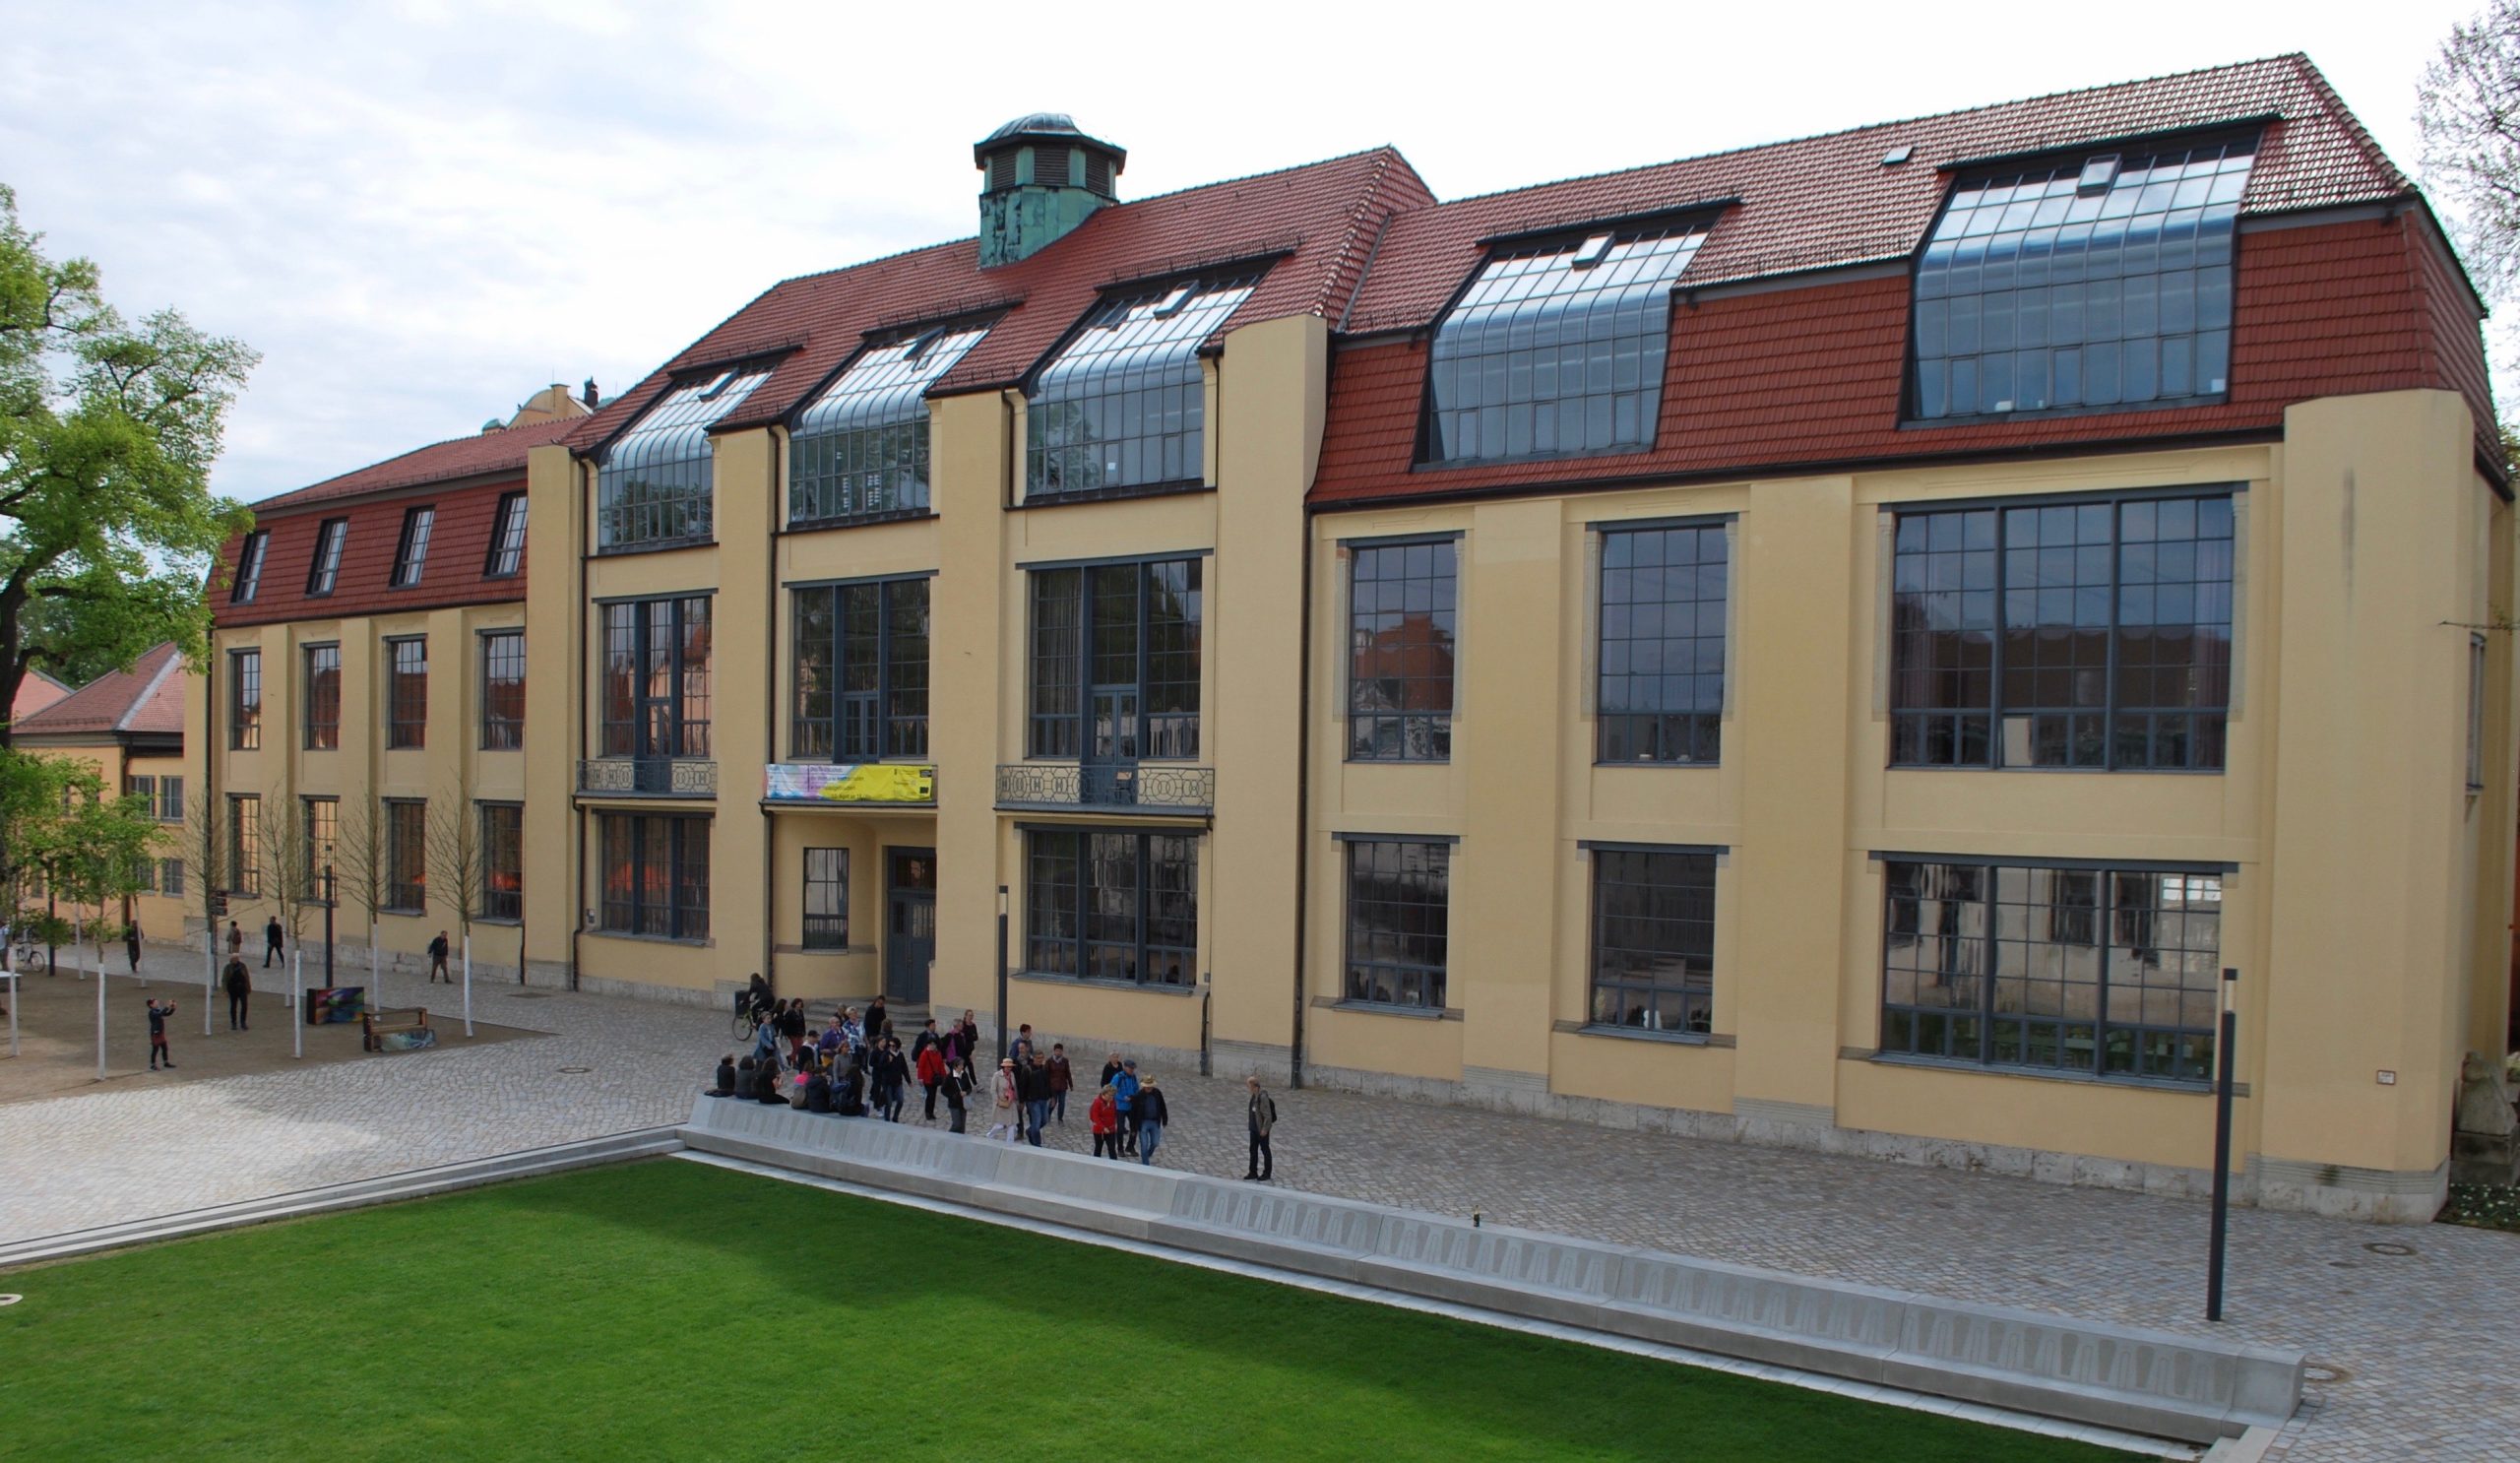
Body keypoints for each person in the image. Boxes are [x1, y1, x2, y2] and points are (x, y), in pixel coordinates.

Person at [1243, 1076, 1277, 1181]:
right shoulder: (1254, 1096)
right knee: (1253, 1150)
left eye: (1249, 1086)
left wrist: (1265, 1129)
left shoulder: (1262, 1098)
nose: (1248, 1088)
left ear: (1254, 1087)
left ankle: (1267, 1173)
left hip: (1261, 1129)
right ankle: (1253, 1171)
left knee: (1265, 1150)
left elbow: (1267, 1116)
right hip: (1254, 1129)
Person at [1135, 1073, 1169, 1166]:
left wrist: (1165, 1119)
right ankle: (1145, 1164)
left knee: (1155, 1143)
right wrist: (1134, 1126)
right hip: (1143, 1122)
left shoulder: (1157, 1093)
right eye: (1147, 1086)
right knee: (1144, 1144)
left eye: (1150, 1086)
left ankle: (1147, 1154)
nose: (1148, 1088)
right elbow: (1134, 1111)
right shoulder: (1139, 1095)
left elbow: (1162, 1106)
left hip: (1155, 1121)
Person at [1016, 1052, 1049, 1146]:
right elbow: (1022, 1086)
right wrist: (1022, 1101)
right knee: (1037, 1121)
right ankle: (1037, 1144)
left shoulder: (1044, 1069)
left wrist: (1051, 1096)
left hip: (1043, 1099)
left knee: (1045, 1120)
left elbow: (1048, 1083)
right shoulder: (1028, 1069)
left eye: (1041, 1058)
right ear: (1034, 1058)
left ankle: (1029, 1131)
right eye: (1038, 1058)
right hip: (1032, 1101)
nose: (1040, 1060)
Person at [1112, 1058, 1142, 1156]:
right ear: (1125, 1067)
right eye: (1130, 1068)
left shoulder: (1133, 1077)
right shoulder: (1118, 1077)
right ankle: (1120, 1148)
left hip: (1131, 1107)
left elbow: (1137, 1089)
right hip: (1120, 1107)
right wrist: (1122, 1098)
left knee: (1134, 1128)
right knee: (1120, 1129)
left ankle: (1130, 1146)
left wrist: (1134, 1097)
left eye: (1133, 1068)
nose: (1132, 1070)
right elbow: (1111, 1091)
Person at [985, 1057, 1019, 1141]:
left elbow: (1014, 1087)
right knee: (1000, 1125)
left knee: (1011, 1124)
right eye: (1007, 1067)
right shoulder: (997, 1075)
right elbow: (993, 1090)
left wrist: (1016, 1099)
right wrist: (997, 1101)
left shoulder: (1012, 1075)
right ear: (1003, 1067)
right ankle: (990, 1135)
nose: (1009, 1068)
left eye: (1010, 1067)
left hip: (1010, 1103)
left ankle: (1009, 1144)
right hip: (1001, 1103)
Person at [915, 1038, 948, 1120]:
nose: (932, 1046)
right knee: (930, 1096)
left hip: (935, 1079)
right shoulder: (924, 1054)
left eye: (933, 1044)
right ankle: (927, 1113)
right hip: (927, 1078)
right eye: (930, 1044)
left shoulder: (938, 1053)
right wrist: (920, 1078)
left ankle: (931, 1113)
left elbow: (941, 1066)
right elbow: (920, 1067)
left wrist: (944, 1076)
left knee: (933, 1096)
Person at [1090, 1084, 1120, 1160]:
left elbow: (1115, 1113)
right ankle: (1095, 1164)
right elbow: (1095, 1117)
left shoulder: (1113, 1102)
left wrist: (1116, 1123)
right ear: (1104, 1094)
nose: (1111, 1097)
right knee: (1098, 1148)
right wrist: (1103, 1128)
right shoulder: (1097, 1102)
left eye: (1112, 1096)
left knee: (1112, 1149)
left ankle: (1115, 1165)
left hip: (1111, 1129)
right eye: (1109, 1095)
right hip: (1099, 1131)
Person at [145, 997, 176, 1070]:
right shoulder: (152, 1012)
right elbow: (160, 1014)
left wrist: (173, 1008)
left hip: (160, 1033)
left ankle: (166, 1062)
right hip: (156, 1034)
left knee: (164, 1048)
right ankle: (152, 1065)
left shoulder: (157, 1010)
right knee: (155, 1049)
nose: (157, 1003)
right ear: (151, 1005)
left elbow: (167, 1014)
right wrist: (168, 1006)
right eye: (155, 1002)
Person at [1046, 1044, 1074, 1124]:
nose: (1058, 1053)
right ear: (1054, 1051)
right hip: (1053, 1086)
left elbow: (1068, 1073)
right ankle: (1048, 1115)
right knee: (1053, 1103)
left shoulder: (1065, 1061)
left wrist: (1071, 1084)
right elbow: (1046, 1074)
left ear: (1062, 1052)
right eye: (1057, 1051)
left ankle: (1060, 1118)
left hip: (1062, 1086)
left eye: (1060, 1051)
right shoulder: (1049, 1061)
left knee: (1062, 1103)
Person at [222, 955, 251, 1031]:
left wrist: (248, 987)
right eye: (234, 958)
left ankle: (243, 1022)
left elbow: (247, 977)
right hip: (233, 988)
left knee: (244, 1005)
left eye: (237, 958)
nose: (236, 959)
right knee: (233, 1006)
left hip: (242, 988)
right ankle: (234, 1022)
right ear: (231, 959)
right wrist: (225, 990)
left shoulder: (242, 966)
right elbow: (224, 979)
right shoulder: (228, 967)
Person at [941, 1057, 967, 1133]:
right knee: (957, 1124)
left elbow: (969, 1087)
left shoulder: (964, 1075)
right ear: (955, 1066)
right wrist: (952, 1095)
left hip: (963, 1103)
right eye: (961, 1065)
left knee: (962, 1127)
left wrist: (966, 1092)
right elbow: (943, 1090)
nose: (962, 1066)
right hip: (954, 1104)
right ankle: (949, 1138)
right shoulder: (949, 1077)